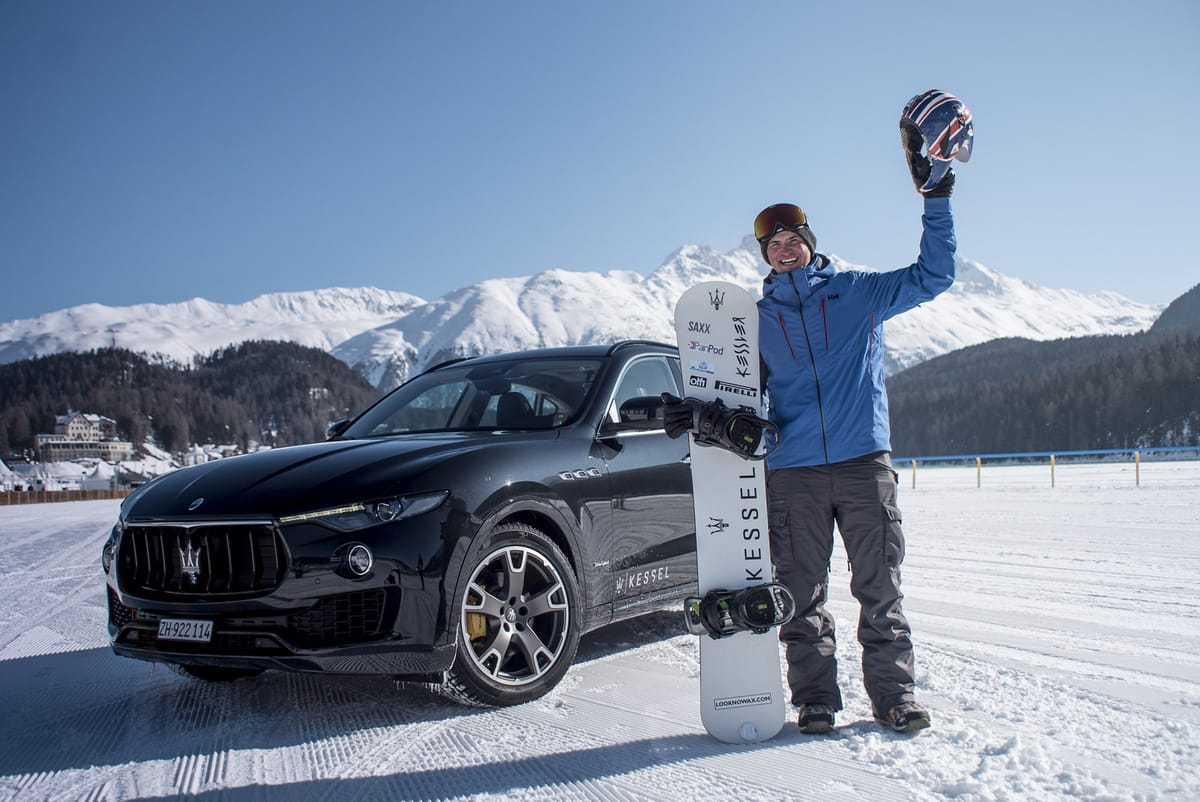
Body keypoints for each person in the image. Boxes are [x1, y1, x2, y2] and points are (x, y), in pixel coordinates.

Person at [668, 91, 971, 735]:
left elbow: (934, 275)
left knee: (879, 592)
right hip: (797, 473)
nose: (783, 249)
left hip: (865, 465)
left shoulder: (859, 293)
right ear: (764, 255)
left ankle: (894, 697)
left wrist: (936, 199)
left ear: (809, 241)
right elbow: (732, 390)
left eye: (791, 239)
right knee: (802, 598)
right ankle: (815, 701)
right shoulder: (754, 319)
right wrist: (703, 416)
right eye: (771, 244)